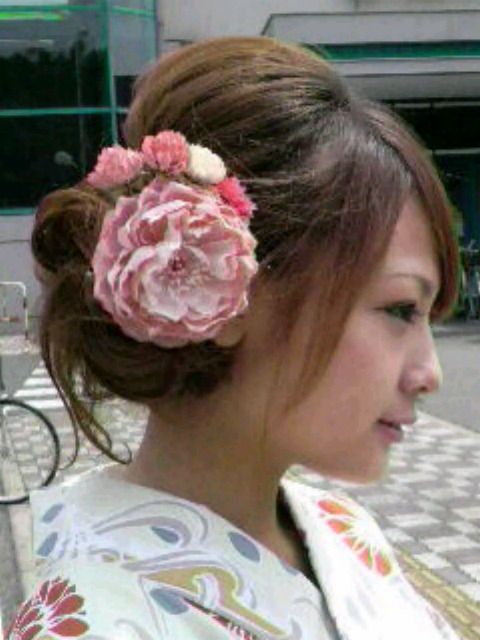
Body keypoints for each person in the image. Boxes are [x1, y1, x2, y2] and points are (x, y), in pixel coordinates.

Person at [7, 37, 460, 639]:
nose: (430, 373)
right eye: (400, 309)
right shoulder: (94, 623)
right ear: (218, 282)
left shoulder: (338, 525)